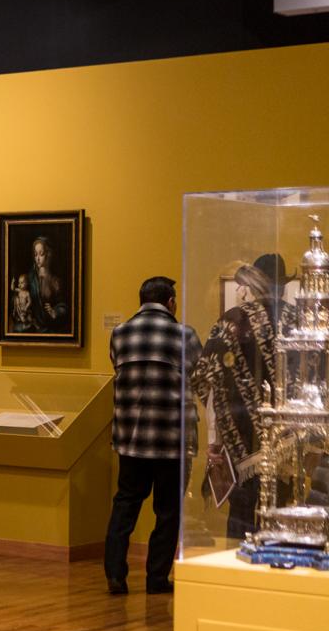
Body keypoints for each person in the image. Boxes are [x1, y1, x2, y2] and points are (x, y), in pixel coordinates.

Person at [103, 277, 202, 595]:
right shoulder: (184, 335)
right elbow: (199, 380)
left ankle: (115, 574)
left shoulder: (120, 333)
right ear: (171, 302)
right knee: (168, 511)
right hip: (170, 440)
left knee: (125, 505)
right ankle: (157, 578)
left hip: (130, 438)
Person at [193, 254, 298, 539]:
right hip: (288, 437)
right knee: (281, 507)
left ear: (253, 283)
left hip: (241, 436)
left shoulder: (233, 321)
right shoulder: (295, 318)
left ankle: (239, 567)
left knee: (241, 512)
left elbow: (209, 379)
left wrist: (215, 439)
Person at [15, 236, 68, 333]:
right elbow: (20, 293)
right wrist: (17, 301)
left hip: (50, 326)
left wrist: (55, 312)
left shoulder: (55, 281)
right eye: (35, 255)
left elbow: (63, 306)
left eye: (41, 254)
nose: (37, 258)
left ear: (48, 255)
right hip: (31, 323)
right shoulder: (29, 278)